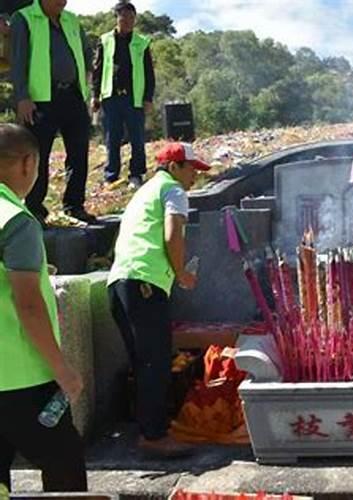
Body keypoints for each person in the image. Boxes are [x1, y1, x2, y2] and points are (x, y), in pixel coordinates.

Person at [108, 142, 209, 457]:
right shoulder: (174, 191)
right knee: (155, 361)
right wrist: (181, 274)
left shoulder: (144, 192)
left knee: (143, 361)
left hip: (121, 281)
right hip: (145, 283)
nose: (195, 175)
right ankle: (154, 436)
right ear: (175, 167)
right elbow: (172, 234)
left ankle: (149, 429)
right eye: (192, 168)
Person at [0, 124, 86, 491]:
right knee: (64, 466)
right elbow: (29, 307)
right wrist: (63, 371)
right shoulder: (16, 221)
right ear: (28, 162)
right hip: (22, 378)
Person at [10, 0, 96, 226]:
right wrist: (22, 97)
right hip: (40, 100)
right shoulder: (24, 18)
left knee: (79, 153)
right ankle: (35, 209)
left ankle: (74, 205)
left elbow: (87, 54)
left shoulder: (72, 20)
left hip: (74, 97)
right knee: (39, 155)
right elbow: (17, 61)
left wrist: (86, 83)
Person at [91, 2, 155, 189]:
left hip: (134, 97)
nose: (127, 21)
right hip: (111, 96)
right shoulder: (105, 40)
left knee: (137, 137)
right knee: (112, 137)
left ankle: (136, 174)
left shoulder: (142, 43)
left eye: (131, 18)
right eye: (124, 17)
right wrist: (95, 95)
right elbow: (98, 69)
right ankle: (111, 176)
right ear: (116, 18)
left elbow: (149, 73)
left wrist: (148, 98)